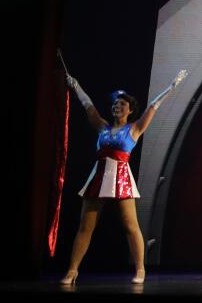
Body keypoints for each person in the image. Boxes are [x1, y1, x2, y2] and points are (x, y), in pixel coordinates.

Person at [61, 68, 187, 285]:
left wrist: (171, 87)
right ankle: (72, 271)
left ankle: (140, 269)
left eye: (122, 104)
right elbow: (87, 105)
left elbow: (153, 107)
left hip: (121, 178)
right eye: (115, 104)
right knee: (85, 226)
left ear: (130, 110)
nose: (117, 106)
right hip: (99, 176)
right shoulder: (103, 127)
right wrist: (75, 85)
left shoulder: (134, 128)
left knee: (130, 225)